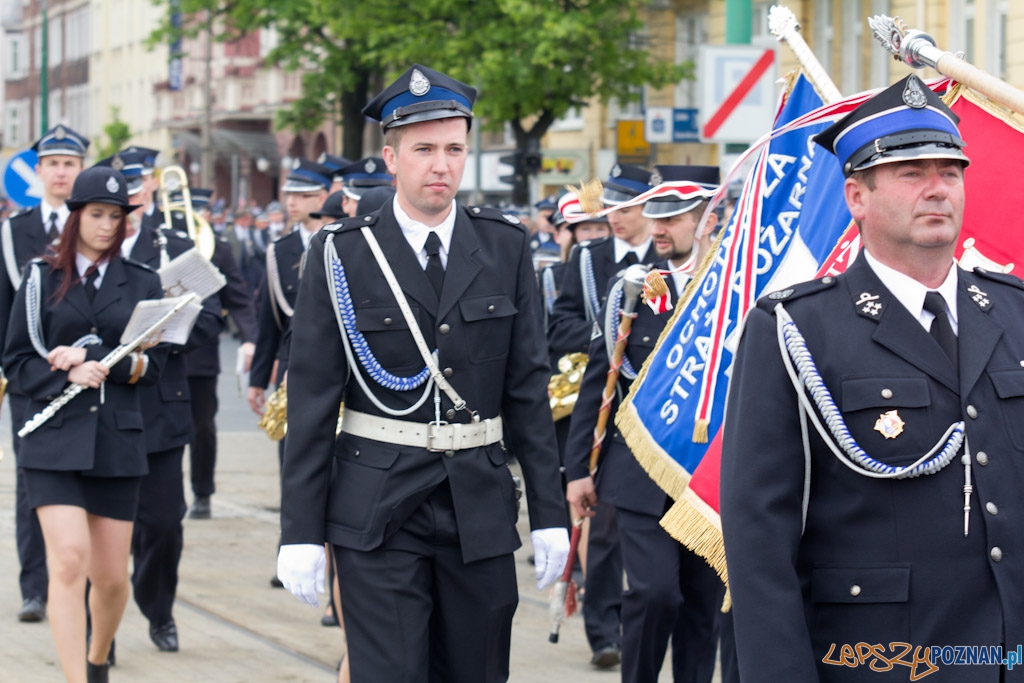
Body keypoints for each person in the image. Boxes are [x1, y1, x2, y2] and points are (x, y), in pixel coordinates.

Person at [720, 74, 1024, 682]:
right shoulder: (796, 328)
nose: (938, 190)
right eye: (913, 174)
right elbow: (760, 541)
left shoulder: (1013, 310)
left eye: (950, 172)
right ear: (856, 197)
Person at [276, 64, 569, 682]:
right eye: (424, 149)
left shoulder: (505, 246)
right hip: (377, 508)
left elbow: (526, 394)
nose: (441, 164)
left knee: (478, 672)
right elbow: (308, 402)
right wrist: (299, 530)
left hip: (478, 505)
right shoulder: (342, 252)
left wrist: (549, 514)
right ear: (391, 157)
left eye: (455, 148)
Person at [3, 166, 168, 683]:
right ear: (75, 216)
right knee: (70, 562)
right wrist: (66, 370)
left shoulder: (143, 280)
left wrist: (104, 360)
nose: (106, 225)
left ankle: (97, 660)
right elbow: (17, 363)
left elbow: (152, 367)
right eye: (96, 214)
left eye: (116, 217)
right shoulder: (38, 277)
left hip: (117, 441)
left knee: (113, 579)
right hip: (52, 439)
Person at [567, 165, 726, 683]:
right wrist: (578, 471)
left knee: (702, 612)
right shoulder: (632, 290)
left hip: (707, 478)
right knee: (656, 593)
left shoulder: (731, 291)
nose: (658, 227)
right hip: (639, 472)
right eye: (654, 214)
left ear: (709, 218)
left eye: (673, 217)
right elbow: (600, 383)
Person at [103, 152, 224, 654]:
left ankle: (158, 609)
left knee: (162, 524)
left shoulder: (175, 245)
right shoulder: (90, 245)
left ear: (151, 186)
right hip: (105, 406)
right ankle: (100, 629)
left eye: (137, 183)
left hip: (160, 401)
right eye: (121, 186)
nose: (131, 194)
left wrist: (166, 332)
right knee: (105, 529)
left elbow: (213, 319)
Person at [547, 161, 656, 669]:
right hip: (601, 411)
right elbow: (561, 320)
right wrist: (605, 336)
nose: (615, 216)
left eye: (627, 207)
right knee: (603, 528)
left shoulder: (669, 256)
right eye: (611, 206)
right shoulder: (588, 258)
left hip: (656, 411)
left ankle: (652, 616)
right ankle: (603, 632)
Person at [0, 124, 89, 624]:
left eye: (69, 164)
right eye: (52, 163)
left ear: (80, 171)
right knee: (31, 482)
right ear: (38, 172)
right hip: (32, 376)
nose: (60, 172)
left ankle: (82, 580)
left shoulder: (96, 226)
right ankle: (35, 587)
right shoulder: (13, 233)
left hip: (91, 377)